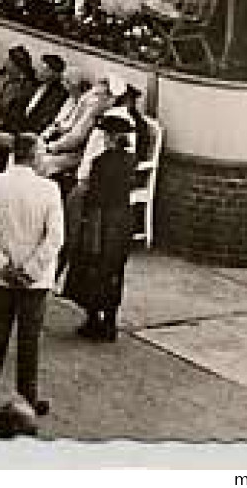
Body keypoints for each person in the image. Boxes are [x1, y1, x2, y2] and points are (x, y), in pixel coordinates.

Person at [0, 132, 64, 419]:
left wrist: (3, 266)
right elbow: (55, 237)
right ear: (34, 157)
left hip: (0, 277)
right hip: (35, 280)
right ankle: (27, 397)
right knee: (29, 338)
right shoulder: (49, 190)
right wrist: (32, 269)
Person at [63, 111, 139, 343]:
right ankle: (110, 321)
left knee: (93, 268)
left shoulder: (100, 162)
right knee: (114, 271)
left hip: (101, 221)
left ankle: (93, 318)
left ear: (111, 137)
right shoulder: (130, 161)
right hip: (122, 220)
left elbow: (94, 195)